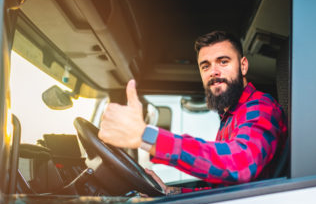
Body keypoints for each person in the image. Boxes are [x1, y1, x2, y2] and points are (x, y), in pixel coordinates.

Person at [98, 31, 287, 195]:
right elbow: (222, 189)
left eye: (223, 61)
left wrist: (146, 136)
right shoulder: (230, 117)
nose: (213, 71)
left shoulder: (261, 106)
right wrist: (169, 192)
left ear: (243, 66)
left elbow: (239, 164)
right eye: (205, 66)